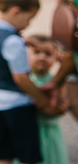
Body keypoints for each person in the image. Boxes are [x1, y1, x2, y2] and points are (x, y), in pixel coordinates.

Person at [0, 0, 53, 164]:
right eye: (29, 18)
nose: (29, 24)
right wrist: (42, 100)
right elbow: (21, 78)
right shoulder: (12, 41)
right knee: (28, 153)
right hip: (16, 104)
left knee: (3, 150)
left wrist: (23, 40)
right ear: (15, 12)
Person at [26, 35, 69, 164]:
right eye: (36, 52)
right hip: (30, 132)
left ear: (56, 58)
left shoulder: (56, 81)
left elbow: (63, 104)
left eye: (48, 54)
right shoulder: (25, 80)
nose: (42, 57)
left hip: (50, 133)